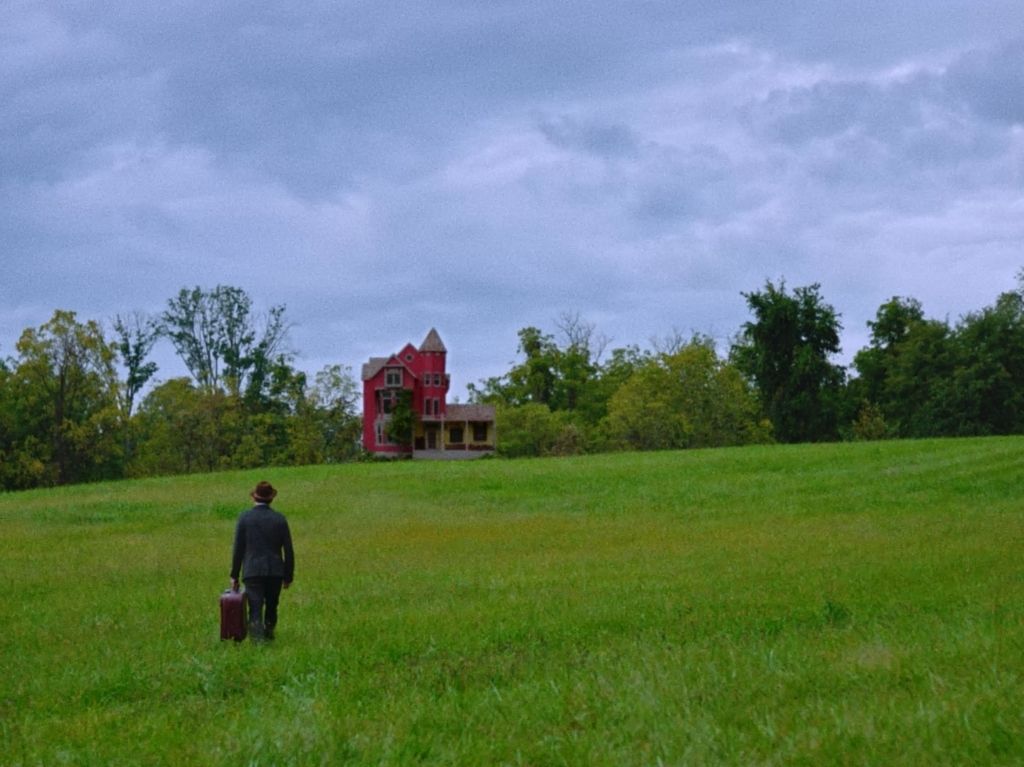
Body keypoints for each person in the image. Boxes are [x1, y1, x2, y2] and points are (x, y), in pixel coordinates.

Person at [230, 481, 294, 640]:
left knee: (255, 607)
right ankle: (269, 633)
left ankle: (257, 641)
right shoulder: (279, 519)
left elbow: (238, 549)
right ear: (271, 499)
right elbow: (288, 550)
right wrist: (288, 576)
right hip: (275, 571)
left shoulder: (244, 518)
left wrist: (234, 575)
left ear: (254, 498)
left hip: (252, 570)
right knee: (272, 606)